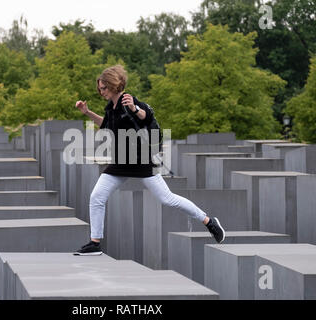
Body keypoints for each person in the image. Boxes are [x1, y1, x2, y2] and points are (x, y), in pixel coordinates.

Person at [73, 65, 225, 256]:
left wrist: (135, 108)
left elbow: (145, 115)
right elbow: (106, 125)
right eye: (99, 88)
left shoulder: (128, 100)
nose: (100, 91)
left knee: (167, 199)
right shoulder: (110, 107)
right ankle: (95, 243)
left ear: (112, 85)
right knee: (97, 197)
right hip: (121, 162)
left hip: (141, 161)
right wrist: (87, 112)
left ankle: (208, 221)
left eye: (103, 88)